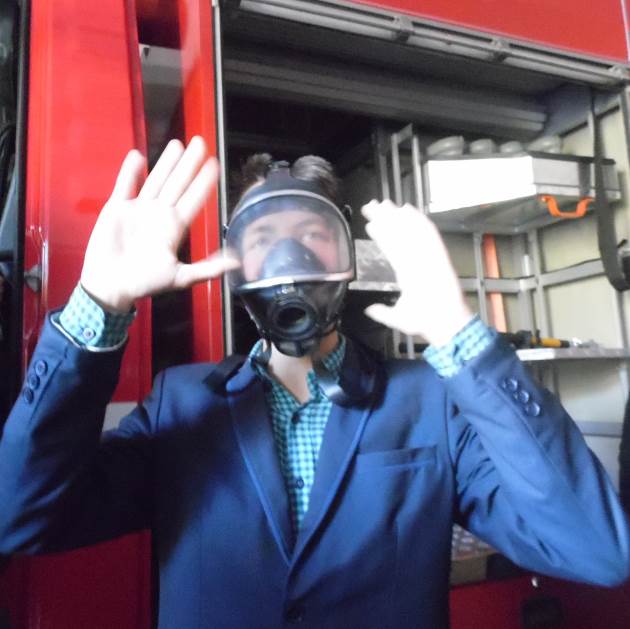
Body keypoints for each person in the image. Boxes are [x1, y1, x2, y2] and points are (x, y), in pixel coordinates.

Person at [0, 137, 628, 629]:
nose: (289, 258)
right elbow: (19, 515)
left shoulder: (430, 401)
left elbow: (596, 550)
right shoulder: (179, 404)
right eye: (264, 238)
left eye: (311, 235)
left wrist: (461, 337)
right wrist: (99, 301)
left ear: (345, 258)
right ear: (236, 263)